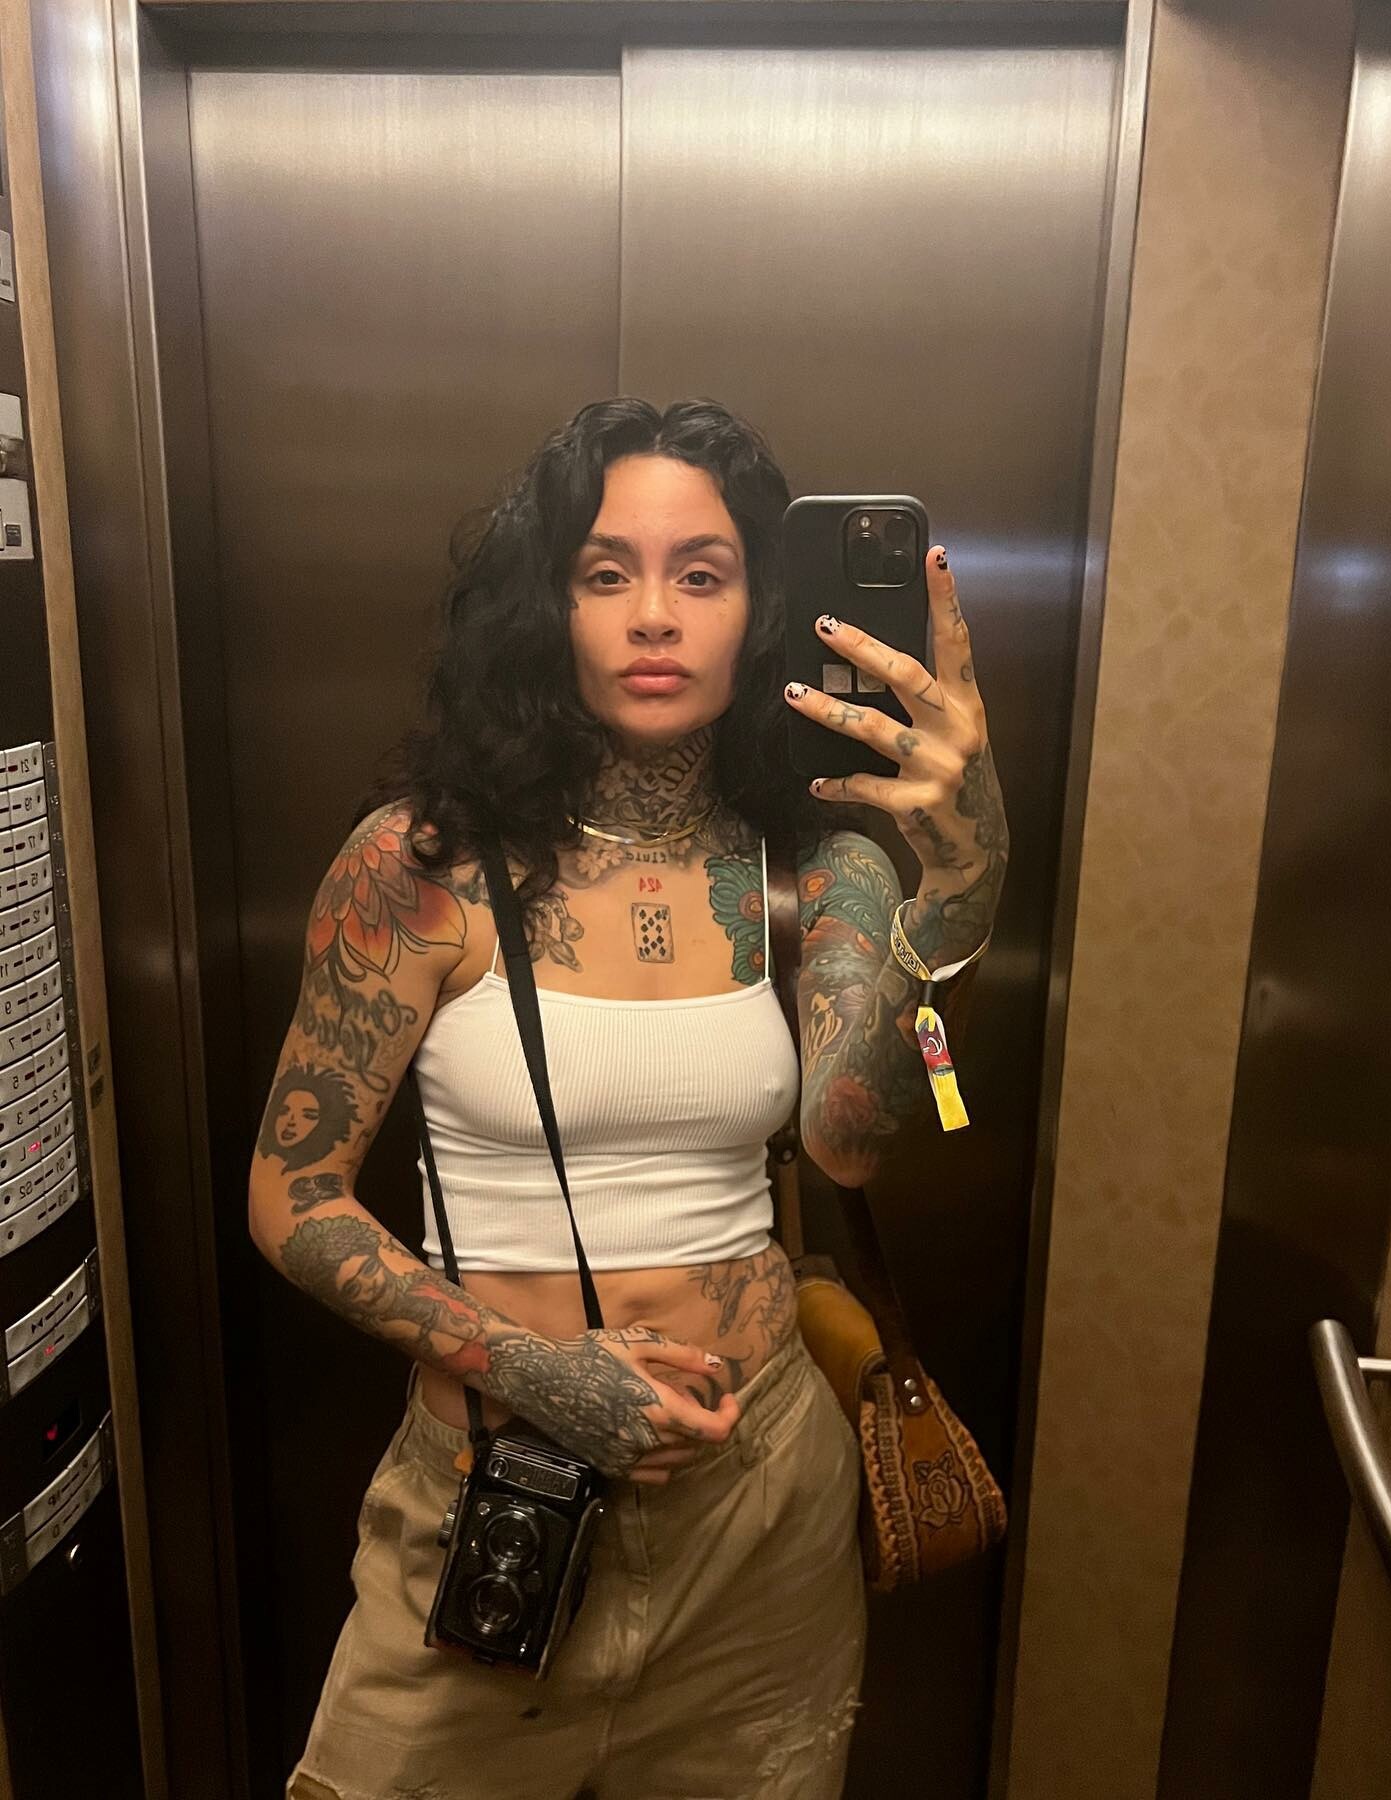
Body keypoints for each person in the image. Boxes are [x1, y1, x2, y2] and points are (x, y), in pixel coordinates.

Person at [250, 395, 1008, 1800]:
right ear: (549, 607)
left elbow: (848, 1146)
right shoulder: (419, 869)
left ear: (759, 612)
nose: (654, 615)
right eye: (608, 574)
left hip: (761, 1512)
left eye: (701, 575)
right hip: (496, 1479)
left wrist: (958, 887)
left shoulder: (818, 874)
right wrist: (529, 1370)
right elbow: (292, 1194)